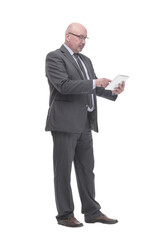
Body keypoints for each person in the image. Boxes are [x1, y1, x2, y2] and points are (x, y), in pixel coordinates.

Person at [45, 22, 125, 227]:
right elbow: (63, 86)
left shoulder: (86, 60)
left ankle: (92, 212)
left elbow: (93, 87)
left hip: (85, 123)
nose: (83, 42)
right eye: (80, 37)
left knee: (87, 170)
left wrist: (112, 91)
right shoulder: (54, 57)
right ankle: (65, 215)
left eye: (85, 38)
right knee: (63, 171)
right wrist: (94, 83)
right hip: (64, 123)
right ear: (67, 36)